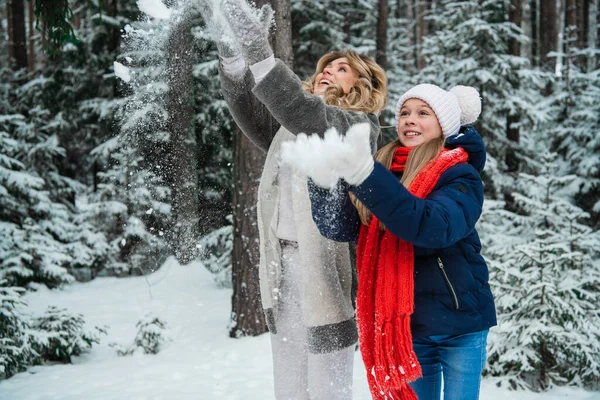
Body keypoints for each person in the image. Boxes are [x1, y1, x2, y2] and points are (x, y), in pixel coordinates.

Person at [197, 1, 388, 398]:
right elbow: (252, 111)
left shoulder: (358, 128)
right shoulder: (290, 130)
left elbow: (306, 115)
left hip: (328, 273)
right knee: (289, 387)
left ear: (362, 84)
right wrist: (234, 59)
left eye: (340, 69)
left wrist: (261, 54)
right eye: (324, 68)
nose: (325, 73)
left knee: (327, 388)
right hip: (282, 267)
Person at [282, 84, 497, 400]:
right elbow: (341, 228)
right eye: (405, 113)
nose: (410, 119)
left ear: (444, 125)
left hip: (459, 322)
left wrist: (367, 176)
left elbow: (429, 225)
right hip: (406, 327)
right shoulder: (382, 169)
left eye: (423, 113)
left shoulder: (460, 175)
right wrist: (325, 183)